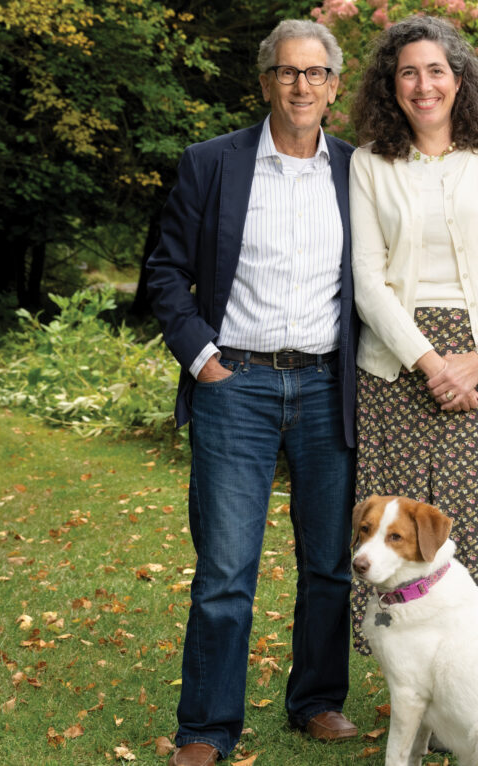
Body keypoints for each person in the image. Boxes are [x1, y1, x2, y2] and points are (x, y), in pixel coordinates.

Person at [145, 18, 360, 766]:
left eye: (316, 73)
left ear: (335, 85)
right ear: (265, 80)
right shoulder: (212, 164)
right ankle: (206, 728)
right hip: (235, 383)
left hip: (329, 385)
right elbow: (165, 272)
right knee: (226, 571)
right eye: (287, 72)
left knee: (330, 563)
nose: (301, 86)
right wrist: (203, 359)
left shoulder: (358, 171)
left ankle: (317, 701)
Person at [347, 14, 478, 675]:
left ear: (459, 78)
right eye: (407, 72)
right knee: (401, 539)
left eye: (435, 69)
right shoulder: (368, 164)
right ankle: (420, 689)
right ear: (392, 85)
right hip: (399, 368)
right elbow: (367, 281)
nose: (423, 84)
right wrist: (432, 362)